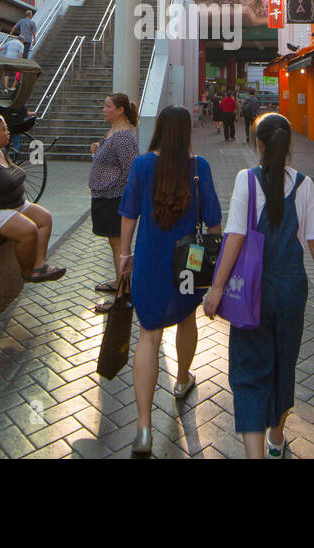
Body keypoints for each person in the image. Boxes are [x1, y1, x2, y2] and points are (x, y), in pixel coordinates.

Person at [204, 112, 314, 459]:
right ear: (289, 145)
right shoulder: (305, 185)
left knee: (251, 370)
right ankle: (277, 438)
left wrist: (217, 287)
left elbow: (235, 235)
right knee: (285, 364)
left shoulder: (245, 181)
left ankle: (255, 454)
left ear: (259, 144)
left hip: (251, 293)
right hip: (291, 290)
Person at [117, 105, 222, 455]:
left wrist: (124, 254)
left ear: (159, 129)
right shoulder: (199, 168)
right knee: (187, 317)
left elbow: (129, 213)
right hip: (188, 263)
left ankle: (143, 428)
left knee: (148, 336)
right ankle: (181, 381)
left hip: (148, 260)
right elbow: (214, 223)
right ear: (187, 132)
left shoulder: (143, 164)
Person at [0, 115, 66, 283]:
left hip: (12, 205)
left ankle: (40, 265)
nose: (8, 133)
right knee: (28, 230)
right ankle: (27, 271)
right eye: (4, 130)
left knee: (45, 218)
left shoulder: (1, 153)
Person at [89, 93, 140, 313]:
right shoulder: (114, 132)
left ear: (120, 110)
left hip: (115, 198)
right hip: (106, 196)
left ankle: (122, 295)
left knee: (120, 246)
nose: (104, 109)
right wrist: (97, 150)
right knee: (115, 244)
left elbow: (131, 170)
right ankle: (121, 283)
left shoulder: (123, 137)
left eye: (108, 106)